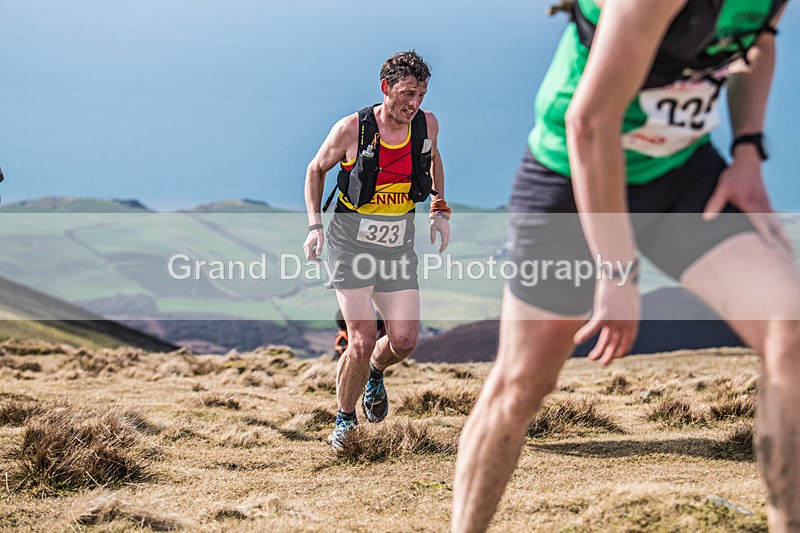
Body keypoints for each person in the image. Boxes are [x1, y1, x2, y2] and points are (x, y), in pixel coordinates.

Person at [451, 1, 799, 531]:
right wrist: (617, 273)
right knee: (522, 384)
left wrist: (748, 148)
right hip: (572, 175)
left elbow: (754, 43)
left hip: (681, 174)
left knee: (789, 329)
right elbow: (589, 121)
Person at [303, 50, 451, 450]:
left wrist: (439, 208)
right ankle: (344, 421)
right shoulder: (352, 129)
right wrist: (315, 227)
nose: (414, 103)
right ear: (385, 88)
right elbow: (316, 169)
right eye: (406, 93)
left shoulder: (426, 125)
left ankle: (374, 374)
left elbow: (434, 157)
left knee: (403, 341)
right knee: (361, 338)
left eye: (420, 93)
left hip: (398, 242)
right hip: (349, 241)